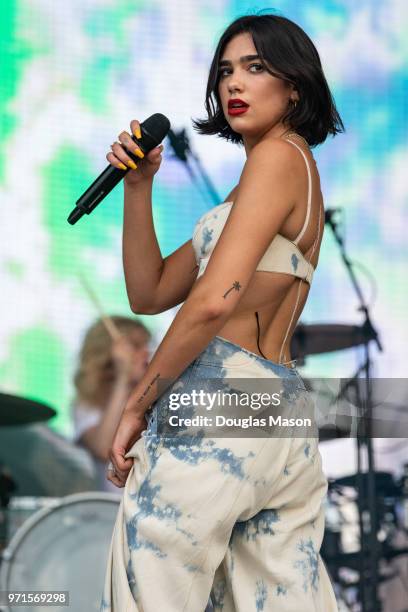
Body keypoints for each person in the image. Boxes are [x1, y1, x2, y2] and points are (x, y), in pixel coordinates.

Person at [100, 12, 344, 611]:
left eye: (256, 68)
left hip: (222, 402)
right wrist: (139, 187)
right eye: (226, 70)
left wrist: (139, 404)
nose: (234, 83)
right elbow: (151, 291)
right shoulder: (275, 175)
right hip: (279, 411)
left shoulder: (278, 158)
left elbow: (212, 301)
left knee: (152, 590)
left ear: (294, 85)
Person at [72, 316, 151, 493]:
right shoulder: (87, 401)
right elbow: (103, 449)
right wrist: (123, 379)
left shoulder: (153, 395)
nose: (147, 352)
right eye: (136, 346)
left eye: (147, 345)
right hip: (108, 510)